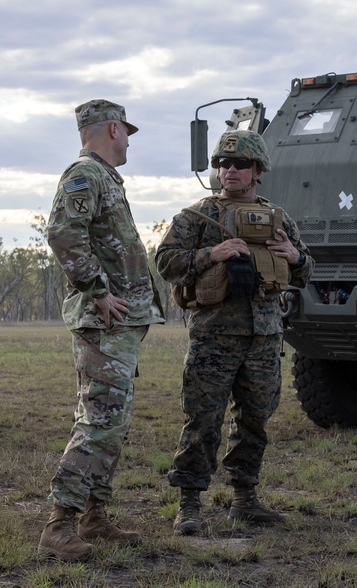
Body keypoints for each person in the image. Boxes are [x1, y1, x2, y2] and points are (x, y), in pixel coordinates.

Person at [155, 130, 314, 535]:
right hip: (213, 337)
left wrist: (295, 257)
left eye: (240, 164)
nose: (230, 170)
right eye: (223, 164)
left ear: (257, 170)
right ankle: (189, 503)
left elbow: (306, 271)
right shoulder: (195, 217)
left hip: (264, 337)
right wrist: (214, 253)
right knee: (203, 419)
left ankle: (245, 498)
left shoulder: (277, 218)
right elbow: (166, 262)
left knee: (256, 419)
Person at [39, 100, 164, 561]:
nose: (128, 141)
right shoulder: (85, 174)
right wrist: (96, 291)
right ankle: (59, 524)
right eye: (126, 132)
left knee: (113, 421)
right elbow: (61, 232)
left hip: (120, 323)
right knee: (99, 421)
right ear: (113, 128)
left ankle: (94, 516)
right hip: (104, 321)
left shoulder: (105, 178)